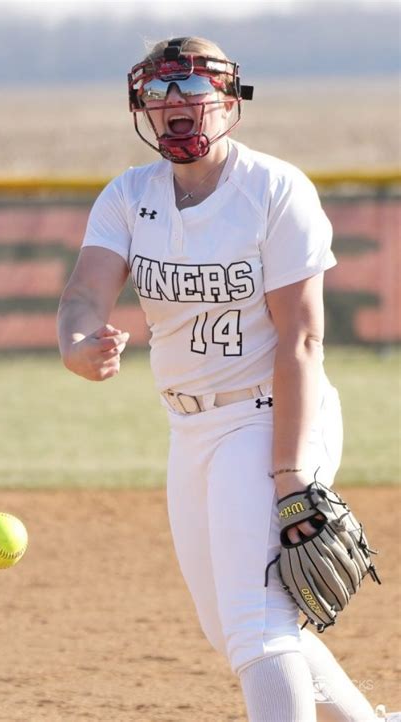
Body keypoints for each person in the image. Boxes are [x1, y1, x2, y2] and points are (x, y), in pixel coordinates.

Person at [57, 36, 397, 722]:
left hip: (271, 416)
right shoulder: (129, 196)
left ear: (228, 101)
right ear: (142, 109)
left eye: (193, 90)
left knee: (255, 623)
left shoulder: (273, 189)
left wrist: (290, 478)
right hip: (192, 427)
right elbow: (83, 297)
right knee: (235, 624)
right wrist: (76, 343)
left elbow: (301, 339)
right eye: (160, 93)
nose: (177, 105)